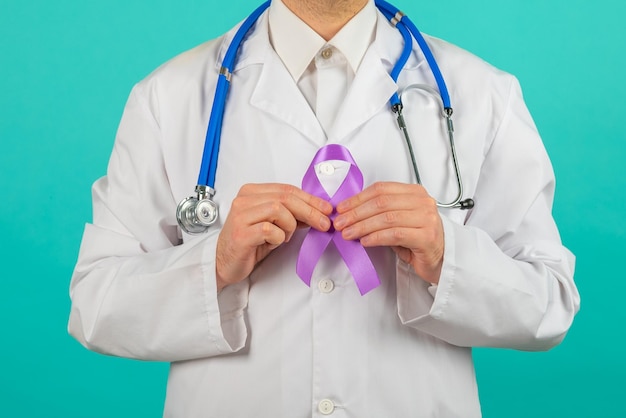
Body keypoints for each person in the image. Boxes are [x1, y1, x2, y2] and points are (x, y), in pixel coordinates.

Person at [68, 0, 580, 416]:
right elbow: (95, 306)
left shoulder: (482, 94)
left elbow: (549, 303)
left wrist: (449, 256)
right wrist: (212, 265)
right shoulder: (169, 97)